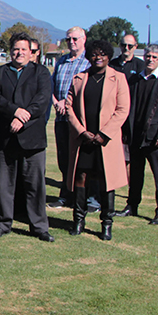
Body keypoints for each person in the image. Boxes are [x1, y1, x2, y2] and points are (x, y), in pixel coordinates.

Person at [0, 33, 54, 242]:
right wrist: (14, 111)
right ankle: (3, 223)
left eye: (24, 49)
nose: (19, 53)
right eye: (16, 49)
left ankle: (39, 226)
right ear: (10, 51)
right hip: (5, 138)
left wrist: (24, 118)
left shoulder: (40, 72)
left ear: (31, 51)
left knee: (35, 185)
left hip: (32, 138)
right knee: (3, 185)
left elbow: (42, 100)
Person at [65, 40, 129, 240]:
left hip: (105, 142)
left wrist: (104, 134)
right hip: (84, 139)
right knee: (81, 178)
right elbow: (69, 108)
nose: (98, 57)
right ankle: (78, 220)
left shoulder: (118, 79)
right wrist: (81, 132)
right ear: (88, 56)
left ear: (109, 56)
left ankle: (106, 224)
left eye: (102, 54)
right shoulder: (79, 79)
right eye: (94, 54)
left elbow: (122, 109)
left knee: (106, 181)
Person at [116, 44, 158, 225]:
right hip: (135, 135)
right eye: (148, 56)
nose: (150, 60)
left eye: (155, 57)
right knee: (136, 174)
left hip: (155, 138)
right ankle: (132, 206)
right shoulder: (135, 80)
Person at [50, 27, 90, 208]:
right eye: (68, 39)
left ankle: (81, 196)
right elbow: (51, 85)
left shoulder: (89, 62)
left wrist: (66, 103)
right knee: (63, 158)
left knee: (79, 158)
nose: (71, 42)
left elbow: (85, 89)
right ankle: (65, 194)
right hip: (60, 118)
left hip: (77, 119)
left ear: (83, 39)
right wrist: (56, 102)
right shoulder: (61, 61)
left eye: (74, 39)